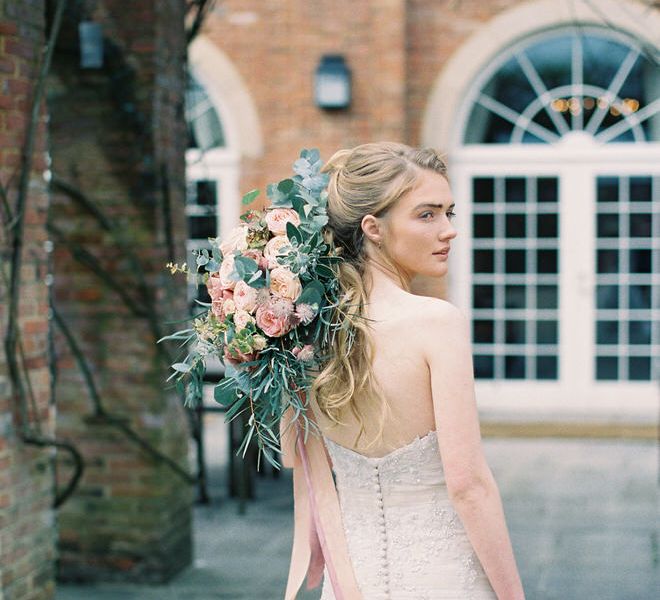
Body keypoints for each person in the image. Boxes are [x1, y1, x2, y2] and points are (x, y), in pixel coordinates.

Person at [283, 141, 525, 599]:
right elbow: (469, 487)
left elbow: (292, 458)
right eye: (427, 214)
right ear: (373, 228)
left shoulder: (305, 331)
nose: (449, 230)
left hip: (350, 581)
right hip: (444, 579)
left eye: (450, 213)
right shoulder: (437, 323)